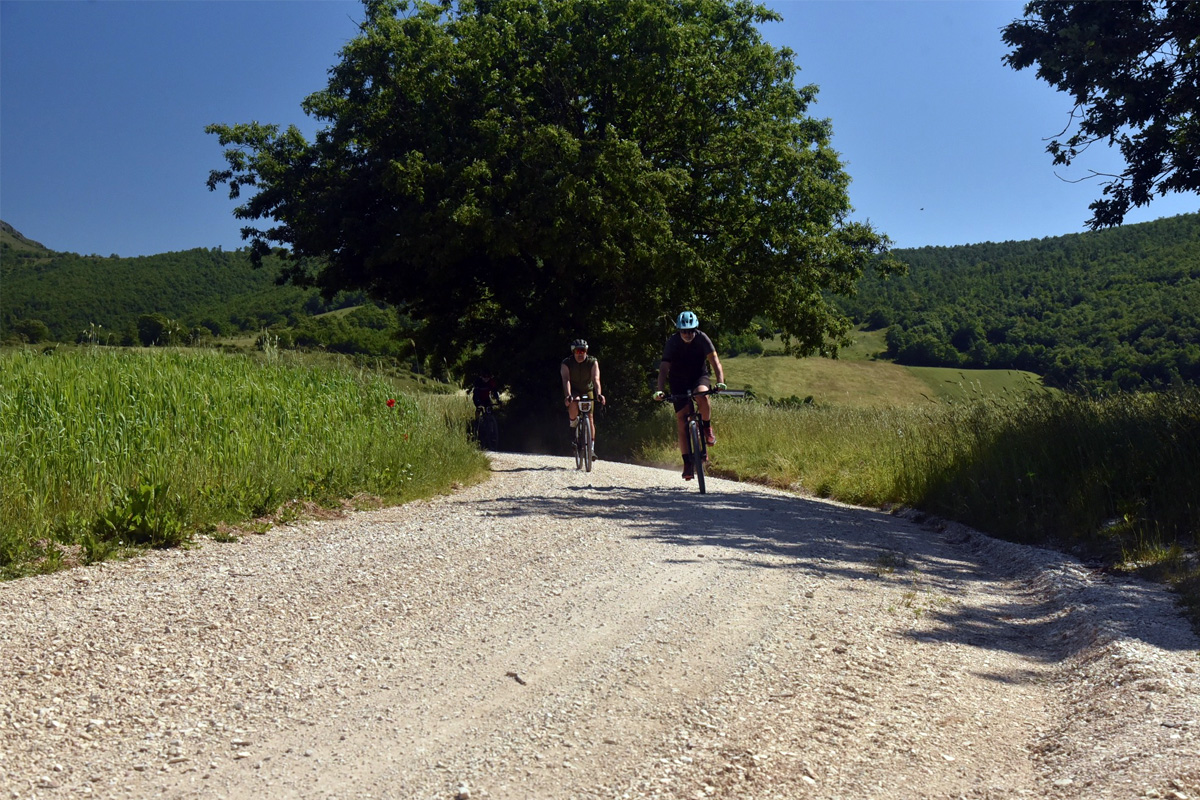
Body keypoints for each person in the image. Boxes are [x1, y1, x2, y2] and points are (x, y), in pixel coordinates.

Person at [653, 310, 727, 480]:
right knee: (682, 418)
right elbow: (664, 368)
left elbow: (714, 361)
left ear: (696, 329)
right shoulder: (672, 342)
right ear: (679, 330)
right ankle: (687, 462)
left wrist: (720, 381)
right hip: (678, 380)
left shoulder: (702, 338)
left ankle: (707, 427)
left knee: (702, 395)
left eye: (690, 330)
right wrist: (660, 389)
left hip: (698, 376)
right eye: (683, 331)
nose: (687, 334)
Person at [560, 338, 605, 459]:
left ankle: (591, 449)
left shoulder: (592, 362)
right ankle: (573, 423)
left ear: (586, 351)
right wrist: (568, 395)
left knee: (590, 418)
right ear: (573, 352)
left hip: (587, 389)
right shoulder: (567, 363)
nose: (580, 354)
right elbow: (566, 380)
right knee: (575, 402)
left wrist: (599, 394)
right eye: (577, 351)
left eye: (583, 351)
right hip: (574, 390)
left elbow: (596, 379)